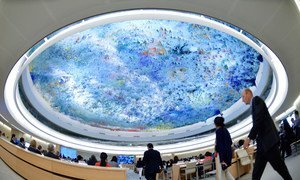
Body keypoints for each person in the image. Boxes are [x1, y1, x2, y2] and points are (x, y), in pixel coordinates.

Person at [242, 88, 292, 180]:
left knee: (280, 168)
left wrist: (249, 138)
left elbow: (259, 120)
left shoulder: (257, 100)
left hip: (269, 142)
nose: (242, 100)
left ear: (248, 93)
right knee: (256, 174)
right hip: (262, 144)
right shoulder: (253, 105)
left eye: (243, 96)